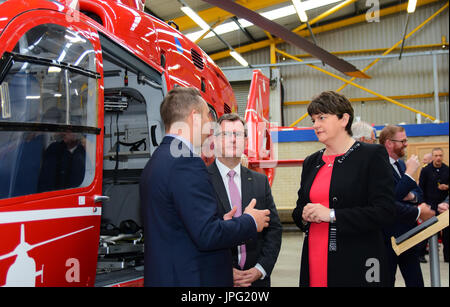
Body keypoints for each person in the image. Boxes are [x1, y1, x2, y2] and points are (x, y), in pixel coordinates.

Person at [139, 87, 271, 287]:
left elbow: (180, 224)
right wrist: (250, 222)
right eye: (208, 117)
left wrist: (222, 222)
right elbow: (207, 235)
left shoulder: (155, 162)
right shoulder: (186, 161)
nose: (210, 124)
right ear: (194, 117)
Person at [292, 91, 396, 287]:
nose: (315, 125)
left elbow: (385, 211)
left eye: (322, 118)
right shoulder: (311, 162)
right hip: (315, 256)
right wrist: (304, 214)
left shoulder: (371, 155)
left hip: (357, 260)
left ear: (344, 119)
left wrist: (332, 215)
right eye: (313, 119)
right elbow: (298, 210)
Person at [207, 113, 282, 287]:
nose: (233, 140)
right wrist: (223, 270)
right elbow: (199, 234)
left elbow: (274, 229)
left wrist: (260, 269)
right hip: (218, 279)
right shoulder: (201, 181)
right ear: (215, 141)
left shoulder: (260, 181)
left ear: (246, 141)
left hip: (256, 283)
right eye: (226, 134)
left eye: (239, 135)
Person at [379, 125, 434, 287]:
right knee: (387, 280)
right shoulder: (379, 166)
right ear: (389, 143)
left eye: (406, 140)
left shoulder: (401, 165)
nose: (406, 144)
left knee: (416, 281)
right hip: (388, 238)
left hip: (409, 235)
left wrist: (411, 196)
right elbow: (389, 200)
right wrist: (409, 175)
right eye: (402, 141)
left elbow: (418, 193)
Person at [419, 148, 449, 262]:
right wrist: (423, 204)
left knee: (446, 232)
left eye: (440, 155)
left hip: (443, 206)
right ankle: (420, 254)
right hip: (429, 203)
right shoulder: (426, 170)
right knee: (427, 229)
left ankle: (447, 256)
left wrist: (447, 187)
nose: (438, 158)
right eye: (436, 155)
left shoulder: (447, 169)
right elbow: (421, 188)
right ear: (432, 157)